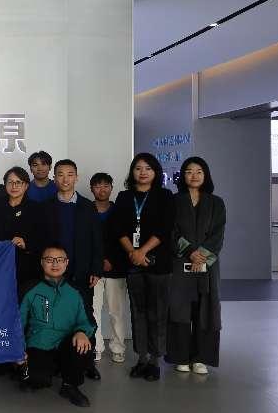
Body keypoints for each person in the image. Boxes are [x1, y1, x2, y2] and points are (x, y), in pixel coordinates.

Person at [110, 153, 174, 382]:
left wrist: (142, 251)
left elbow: (165, 228)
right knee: (138, 311)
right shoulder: (124, 197)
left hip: (158, 263)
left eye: (148, 168)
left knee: (158, 311)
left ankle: (155, 361)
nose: (143, 172)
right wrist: (133, 253)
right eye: (138, 168)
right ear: (132, 172)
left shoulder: (165, 196)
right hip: (133, 262)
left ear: (155, 172)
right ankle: (142, 358)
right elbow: (118, 228)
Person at [42, 159, 103, 381]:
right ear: (54, 178)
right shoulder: (46, 206)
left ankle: (87, 362)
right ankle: (59, 360)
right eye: (60, 174)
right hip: (54, 273)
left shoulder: (87, 206)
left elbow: (97, 240)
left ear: (76, 177)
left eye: (70, 174)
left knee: (85, 315)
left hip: (81, 272)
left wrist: (96, 268)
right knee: (55, 316)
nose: (65, 179)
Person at [166, 157, 225, 375]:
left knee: (206, 309)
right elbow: (171, 232)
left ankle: (201, 358)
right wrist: (189, 251)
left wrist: (202, 255)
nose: (194, 175)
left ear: (205, 175)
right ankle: (181, 357)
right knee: (179, 309)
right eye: (189, 171)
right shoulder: (174, 201)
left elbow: (218, 233)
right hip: (181, 262)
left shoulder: (216, 202)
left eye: (199, 171)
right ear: (183, 176)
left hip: (207, 264)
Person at [0, 165, 47, 379]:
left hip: (27, 271)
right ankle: (5, 360)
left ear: (26, 185)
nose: (14, 186)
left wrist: (27, 242)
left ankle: (25, 360)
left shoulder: (36, 209)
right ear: (4, 185)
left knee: (25, 315)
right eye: (10, 182)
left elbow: (46, 239)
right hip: (0, 273)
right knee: (3, 315)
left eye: (18, 182)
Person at [20, 244, 95, 407]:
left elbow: (88, 321)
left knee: (83, 344)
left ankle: (70, 385)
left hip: (66, 344)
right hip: (38, 344)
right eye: (49, 260)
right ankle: (46, 369)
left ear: (66, 263)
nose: (55, 264)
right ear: (42, 262)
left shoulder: (77, 291)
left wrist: (81, 332)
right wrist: (18, 349)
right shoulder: (29, 289)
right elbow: (17, 323)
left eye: (60, 260)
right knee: (35, 380)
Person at [89, 172, 128, 364]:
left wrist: (110, 259)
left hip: (116, 269)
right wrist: (99, 261)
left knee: (116, 312)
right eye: (97, 185)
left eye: (106, 185)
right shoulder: (85, 210)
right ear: (91, 189)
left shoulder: (120, 210)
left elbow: (125, 239)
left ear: (112, 187)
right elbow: (84, 240)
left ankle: (118, 348)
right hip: (93, 270)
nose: (102, 189)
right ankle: (96, 347)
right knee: (93, 310)